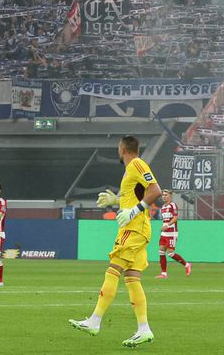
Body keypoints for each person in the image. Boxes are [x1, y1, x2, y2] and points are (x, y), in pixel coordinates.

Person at [70, 135, 161, 348]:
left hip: (134, 228)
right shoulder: (131, 169)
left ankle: (95, 320)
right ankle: (144, 329)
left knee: (113, 269)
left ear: (122, 148)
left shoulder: (137, 164)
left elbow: (155, 191)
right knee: (132, 278)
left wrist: (134, 211)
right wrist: (117, 201)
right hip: (138, 228)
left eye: (118, 147)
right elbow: (137, 194)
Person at [155, 189, 191, 279]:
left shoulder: (173, 205)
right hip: (164, 233)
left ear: (170, 196)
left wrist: (167, 225)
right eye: (163, 195)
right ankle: (164, 273)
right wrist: (164, 227)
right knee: (161, 251)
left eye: (166, 195)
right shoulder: (163, 207)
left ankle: (186, 265)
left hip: (172, 233)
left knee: (170, 253)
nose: (164, 196)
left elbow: (175, 218)